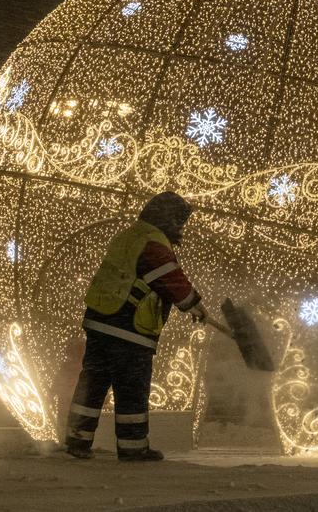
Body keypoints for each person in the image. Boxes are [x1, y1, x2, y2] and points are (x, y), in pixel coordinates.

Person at [65, 191, 207, 461]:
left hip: (100, 321)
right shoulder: (152, 242)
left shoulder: (129, 236)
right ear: (167, 218)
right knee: (131, 386)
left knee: (93, 382)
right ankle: (133, 447)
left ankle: (77, 440)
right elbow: (168, 277)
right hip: (127, 327)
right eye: (179, 221)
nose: (181, 228)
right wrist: (193, 303)